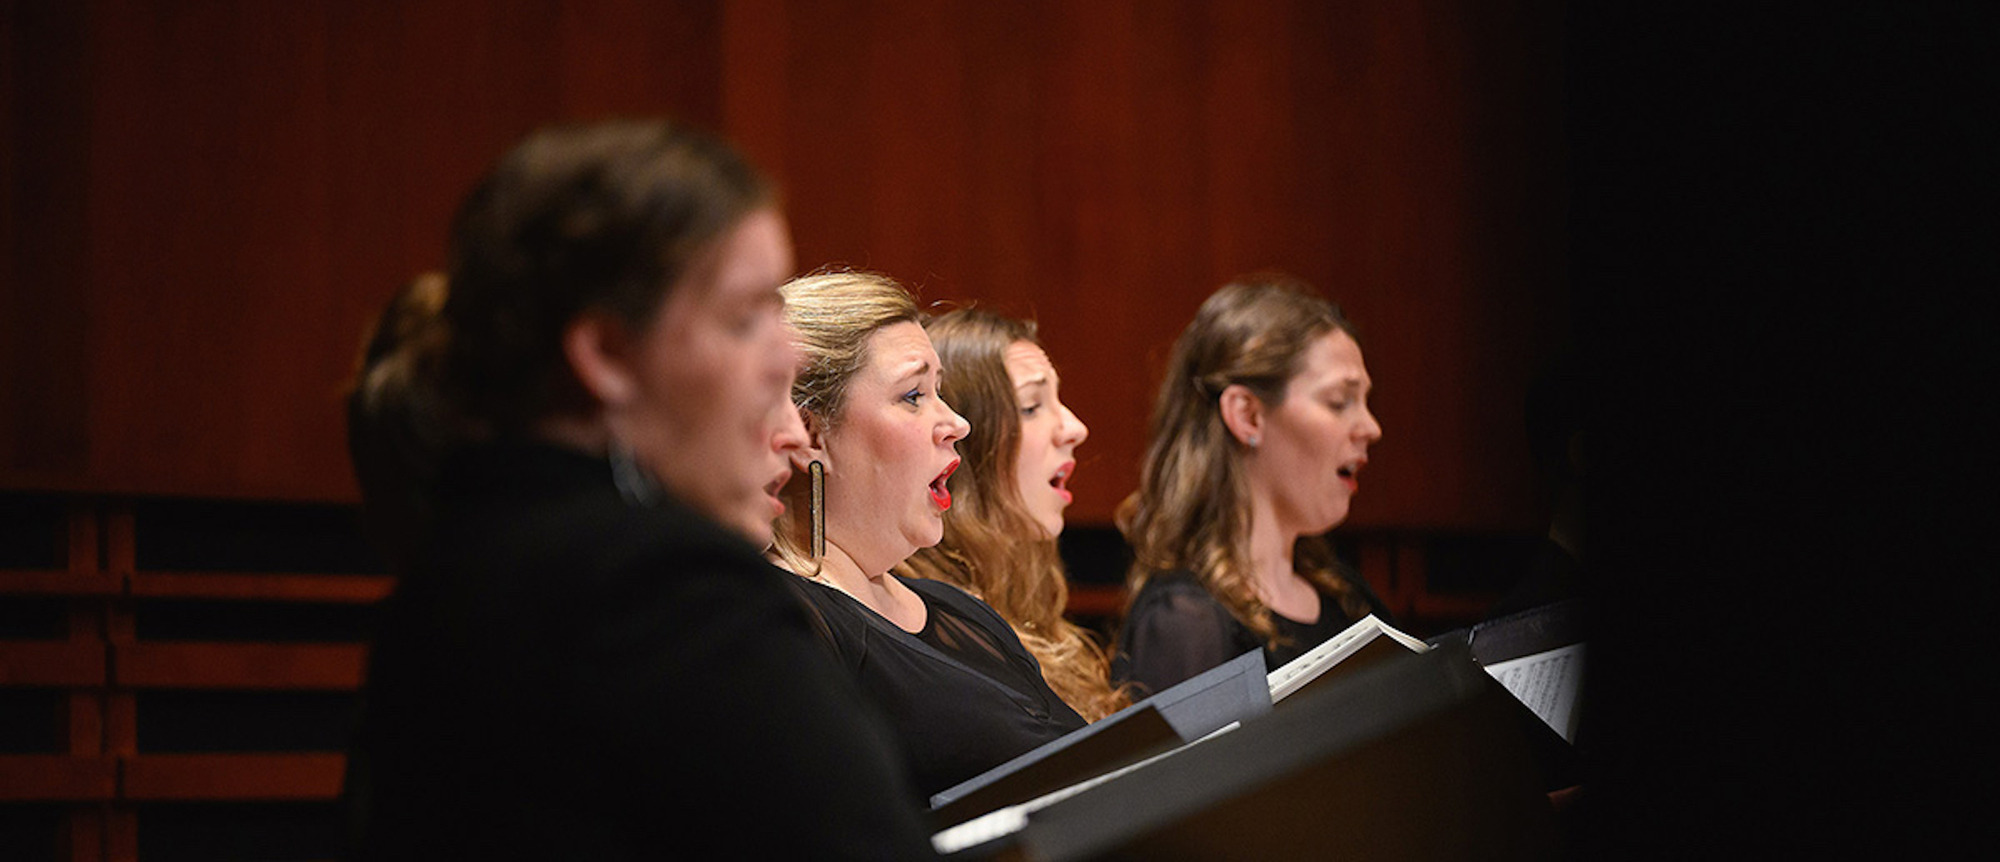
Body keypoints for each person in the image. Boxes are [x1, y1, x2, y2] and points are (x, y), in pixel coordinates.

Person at [342, 119, 937, 860]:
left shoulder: (453, 568)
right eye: (745, 316)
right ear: (607, 355)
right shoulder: (656, 595)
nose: (786, 354)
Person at [768, 271, 1087, 798]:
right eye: (914, 395)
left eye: (939, 391)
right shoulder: (793, 623)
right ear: (811, 433)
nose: (956, 423)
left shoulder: (959, 610)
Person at [1113, 274, 1391, 697]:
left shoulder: (1346, 595)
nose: (1371, 428)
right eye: (1339, 401)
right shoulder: (1184, 621)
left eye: (1366, 403)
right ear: (1248, 417)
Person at [897, 307, 1129, 722]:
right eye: (1031, 406)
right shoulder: (934, 630)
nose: (1075, 428)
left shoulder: (1028, 601)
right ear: (963, 438)